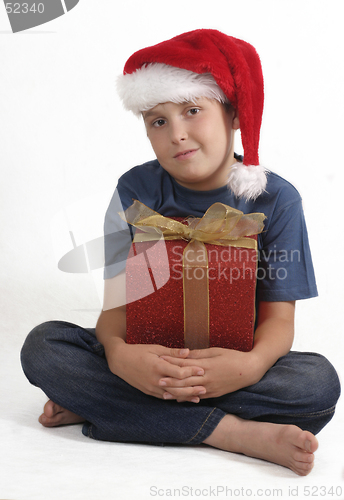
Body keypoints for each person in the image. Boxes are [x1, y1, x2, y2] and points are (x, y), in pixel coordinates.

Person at [21, 29, 340, 476]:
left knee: (317, 384)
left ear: (232, 114)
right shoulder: (134, 190)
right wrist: (117, 354)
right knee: (44, 347)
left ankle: (108, 408)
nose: (177, 134)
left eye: (193, 111)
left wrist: (249, 368)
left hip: (230, 366)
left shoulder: (276, 199)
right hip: (146, 358)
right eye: (158, 121)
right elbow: (117, 306)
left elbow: (279, 322)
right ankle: (234, 433)